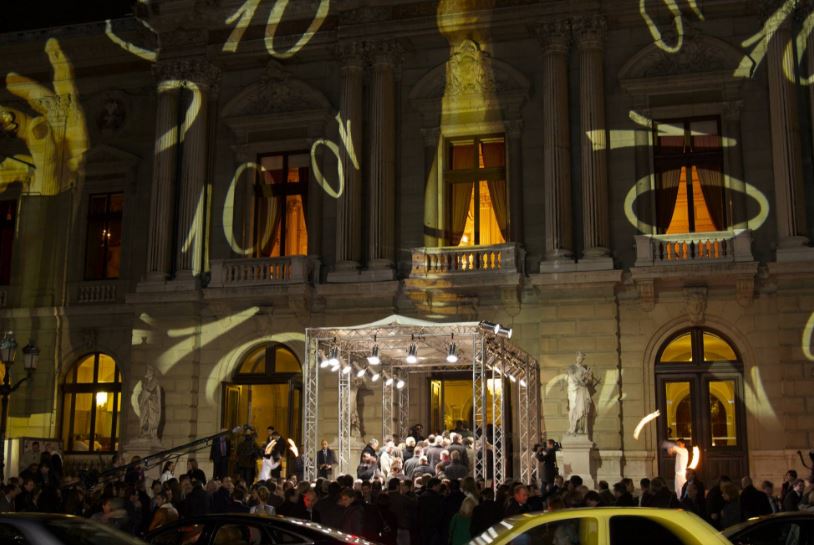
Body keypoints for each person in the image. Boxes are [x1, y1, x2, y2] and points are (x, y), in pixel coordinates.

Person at [566, 352, 595, 435]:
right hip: (573, 391)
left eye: (581, 358)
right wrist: (582, 379)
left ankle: (579, 428)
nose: (580, 359)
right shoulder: (571, 368)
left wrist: (588, 376)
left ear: (582, 360)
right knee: (572, 409)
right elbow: (571, 378)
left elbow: (589, 381)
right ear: (576, 358)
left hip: (581, 391)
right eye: (578, 357)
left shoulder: (583, 369)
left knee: (581, 409)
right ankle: (572, 427)